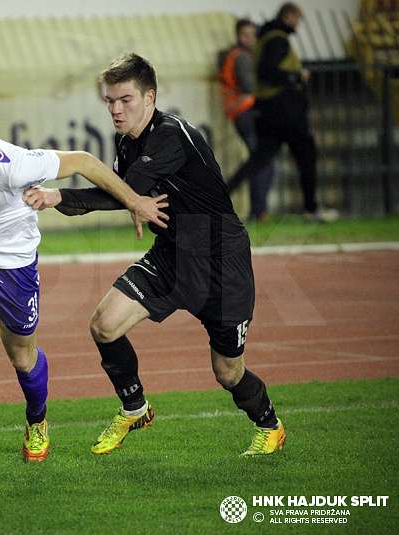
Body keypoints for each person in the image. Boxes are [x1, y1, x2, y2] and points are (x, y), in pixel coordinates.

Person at [23, 53, 286, 456]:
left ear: (150, 97)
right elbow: (126, 194)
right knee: (104, 324)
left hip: (220, 258)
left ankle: (270, 426)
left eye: (124, 99)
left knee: (227, 371)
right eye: (109, 100)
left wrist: (58, 195)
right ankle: (135, 408)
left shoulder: (170, 135)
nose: (114, 109)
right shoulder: (126, 139)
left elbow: (119, 193)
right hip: (171, 253)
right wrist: (85, 199)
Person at [0, 95, 168, 462]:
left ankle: (37, 419)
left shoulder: (11, 164)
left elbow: (83, 162)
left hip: (11, 261)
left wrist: (134, 201)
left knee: (22, 357)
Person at [226, 2, 336, 222]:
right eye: (297, 18)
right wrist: (295, 76)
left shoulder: (264, 39)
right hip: (284, 111)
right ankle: (311, 208)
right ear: (289, 17)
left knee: (259, 160)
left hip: (264, 111)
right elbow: (268, 72)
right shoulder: (277, 40)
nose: (298, 24)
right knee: (306, 153)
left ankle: (219, 196)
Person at [218, 19, 276, 222]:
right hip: (247, 112)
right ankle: (258, 212)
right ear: (238, 36)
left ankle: (224, 199)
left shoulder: (243, 56)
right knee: (263, 162)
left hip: (244, 113)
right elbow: (249, 86)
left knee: (258, 162)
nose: (250, 38)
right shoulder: (241, 57)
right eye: (246, 34)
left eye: (253, 34)